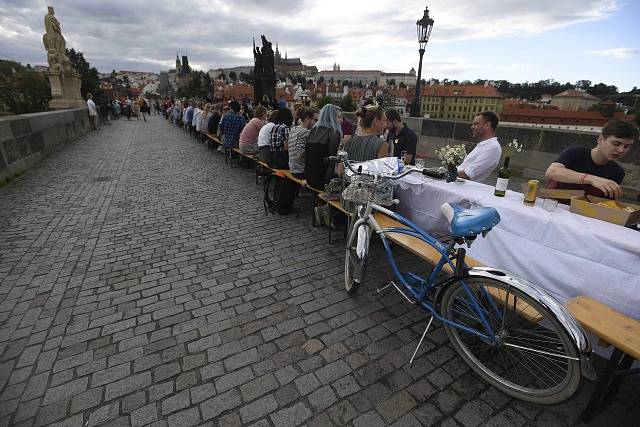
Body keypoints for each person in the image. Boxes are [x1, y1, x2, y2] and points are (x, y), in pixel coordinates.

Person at [545, 120, 638, 199]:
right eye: (616, 144)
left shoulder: (617, 172)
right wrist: (591, 179)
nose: (621, 150)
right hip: (552, 207)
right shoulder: (575, 153)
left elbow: (604, 204)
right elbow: (552, 172)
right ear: (600, 139)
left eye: (626, 146)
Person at [304, 104, 343, 191]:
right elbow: (331, 162)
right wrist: (327, 185)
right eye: (339, 117)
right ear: (332, 118)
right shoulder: (333, 132)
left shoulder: (314, 129)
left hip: (310, 177)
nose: (342, 120)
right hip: (321, 181)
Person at [457, 111, 502, 182]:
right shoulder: (484, 145)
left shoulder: (492, 147)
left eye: (476, 124)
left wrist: (444, 174)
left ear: (487, 125)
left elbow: (468, 174)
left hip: (463, 188)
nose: (472, 127)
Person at [288, 107, 319, 178]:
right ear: (307, 118)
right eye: (316, 120)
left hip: (293, 169)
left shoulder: (294, 129)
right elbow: (300, 154)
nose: (317, 123)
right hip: (301, 171)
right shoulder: (306, 132)